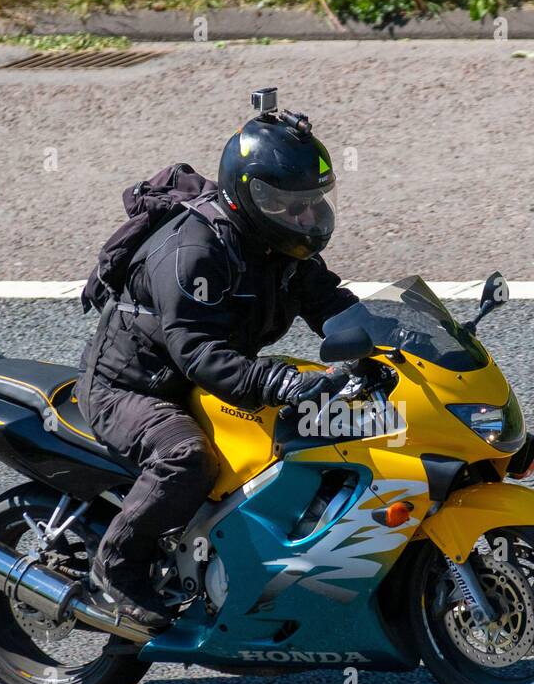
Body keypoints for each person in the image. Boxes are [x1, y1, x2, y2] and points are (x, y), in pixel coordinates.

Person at [76, 92, 357, 633]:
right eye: (290, 203)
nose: (306, 215)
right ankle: (117, 564)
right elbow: (199, 351)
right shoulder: (194, 253)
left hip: (205, 379)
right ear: (248, 197)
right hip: (136, 389)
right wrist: (277, 380)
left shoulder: (281, 245)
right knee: (186, 458)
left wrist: (392, 341)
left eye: (312, 201)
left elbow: (333, 304)